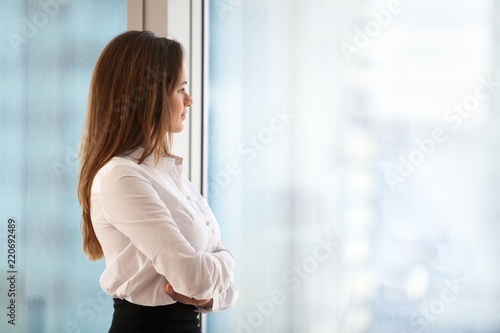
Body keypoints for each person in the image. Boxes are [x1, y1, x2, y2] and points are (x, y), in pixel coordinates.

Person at [76, 30, 238, 333]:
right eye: (180, 90)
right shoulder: (121, 177)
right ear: (149, 97)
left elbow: (219, 291)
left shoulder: (168, 174)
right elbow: (195, 279)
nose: (188, 100)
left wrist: (206, 290)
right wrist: (228, 260)